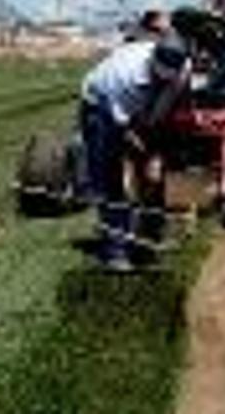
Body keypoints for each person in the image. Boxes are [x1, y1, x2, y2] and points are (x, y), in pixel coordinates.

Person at [79, 20, 188, 271]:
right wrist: (144, 153)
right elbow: (125, 131)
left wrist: (157, 156)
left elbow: (167, 117)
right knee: (110, 176)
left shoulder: (182, 69)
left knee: (153, 170)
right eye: (159, 76)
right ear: (153, 63)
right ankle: (115, 249)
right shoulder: (124, 78)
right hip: (100, 106)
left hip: (136, 108)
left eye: (168, 78)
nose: (163, 81)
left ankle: (148, 232)